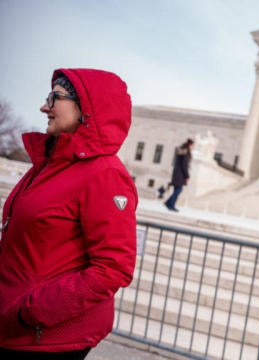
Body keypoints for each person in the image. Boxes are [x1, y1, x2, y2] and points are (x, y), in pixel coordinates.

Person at [0, 68, 138, 359]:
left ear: (86, 107)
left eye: (55, 97)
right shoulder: (52, 163)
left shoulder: (105, 175)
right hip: (12, 322)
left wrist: (29, 312)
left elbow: (113, 267)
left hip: (44, 335)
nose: (44, 106)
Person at [164, 138, 194, 212]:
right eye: (192, 145)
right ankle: (169, 203)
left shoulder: (181, 151)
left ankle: (171, 205)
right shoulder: (186, 153)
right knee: (179, 190)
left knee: (176, 190)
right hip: (181, 175)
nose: (192, 147)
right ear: (190, 145)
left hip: (176, 173)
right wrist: (187, 176)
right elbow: (184, 165)